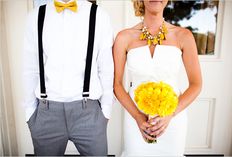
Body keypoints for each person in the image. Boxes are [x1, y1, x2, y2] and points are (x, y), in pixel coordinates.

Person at [23, 0, 114, 156]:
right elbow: (30, 68)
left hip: (89, 112)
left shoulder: (99, 15)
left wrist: (106, 111)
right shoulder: (35, 16)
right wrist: (30, 112)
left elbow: (105, 66)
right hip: (47, 113)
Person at [113, 0, 202, 156]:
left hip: (173, 120)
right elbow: (117, 85)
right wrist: (138, 117)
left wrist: (170, 115)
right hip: (136, 119)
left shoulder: (184, 36)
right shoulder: (124, 37)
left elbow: (196, 84)